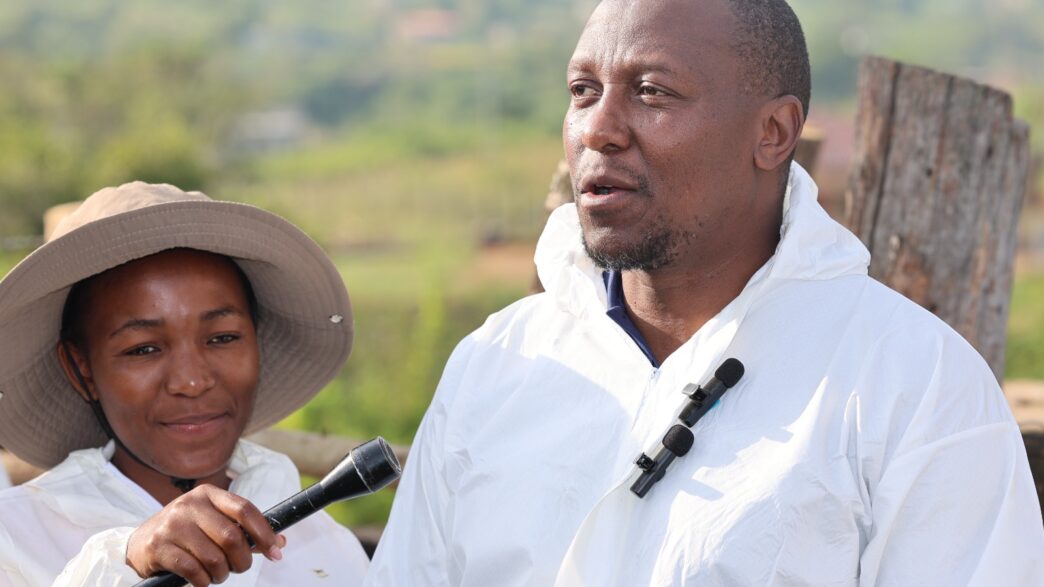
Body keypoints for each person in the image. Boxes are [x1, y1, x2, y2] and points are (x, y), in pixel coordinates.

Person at [366, 0, 1044, 584]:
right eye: (582, 90)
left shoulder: (915, 386)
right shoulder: (496, 365)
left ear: (772, 133)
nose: (598, 128)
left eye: (652, 91)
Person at [0, 182, 370, 586]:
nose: (192, 381)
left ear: (258, 341)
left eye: (223, 338)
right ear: (81, 368)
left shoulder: (327, 545)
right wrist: (125, 563)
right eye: (142, 349)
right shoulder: (16, 541)